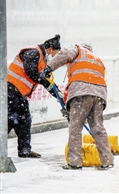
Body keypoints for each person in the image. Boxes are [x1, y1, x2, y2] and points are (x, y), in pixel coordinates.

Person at [41, 42, 114, 170]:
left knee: (75, 127)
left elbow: (64, 54)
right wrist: (68, 107)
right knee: (98, 128)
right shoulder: (97, 60)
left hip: (81, 92)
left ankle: (75, 162)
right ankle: (107, 160)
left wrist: (48, 68)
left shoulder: (77, 49)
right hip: (99, 95)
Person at [7, 34, 61, 158]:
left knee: (25, 121)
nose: (54, 57)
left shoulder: (42, 59)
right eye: (54, 54)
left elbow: (47, 81)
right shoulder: (33, 52)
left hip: (20, 95)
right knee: (8, 121)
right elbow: (30, 72)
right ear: (50, 49)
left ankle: (25, 151)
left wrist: (58, 94)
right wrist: (43, 80)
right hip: (10, 92)